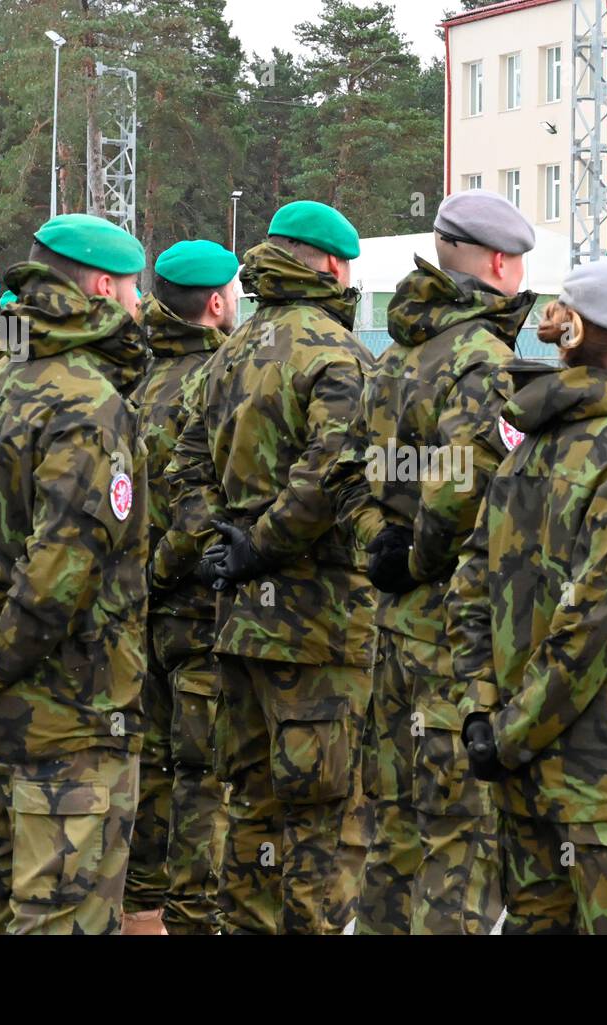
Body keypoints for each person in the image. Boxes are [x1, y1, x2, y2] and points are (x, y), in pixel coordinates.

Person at [0, 213, 149, 934]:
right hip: (68, 726)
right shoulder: (89, 402)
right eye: (133, 289)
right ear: (104, 288)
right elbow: (59, 577)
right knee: (60, 919)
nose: (140, 306)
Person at [448, 261, 607, 934]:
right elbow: (592, 631)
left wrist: (483, 718)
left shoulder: (529, 448)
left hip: (526, 786)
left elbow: (470, 589)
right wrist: (505, 734)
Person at [162, 200, 375, 934]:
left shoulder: (227, 353)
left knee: (250, 813)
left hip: (238, 627)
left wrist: (220, 544)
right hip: (319, 633)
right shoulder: (336, 353)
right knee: (324, 824)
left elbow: (182, 466)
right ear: (332, 267)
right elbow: (335, 471)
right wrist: (264, 541)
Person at [329, 189, 538, 934]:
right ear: (499, 263)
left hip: (393, 626)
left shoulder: (396, 355)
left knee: (394, 828)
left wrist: (376, 548)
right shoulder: (484, 358)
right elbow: (465, 485)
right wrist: (417, 557)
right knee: (461, 836)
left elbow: (348, 470)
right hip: (454, 630)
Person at [131, 239, 239, 937]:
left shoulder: (136, 377)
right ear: (216, 302)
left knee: (151, 770)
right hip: (198, 607)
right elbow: (203, 512)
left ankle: (140, 913)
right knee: (205, 779)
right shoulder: (220, 382)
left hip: (141, 614)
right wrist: (167, 569)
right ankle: (191, 918)